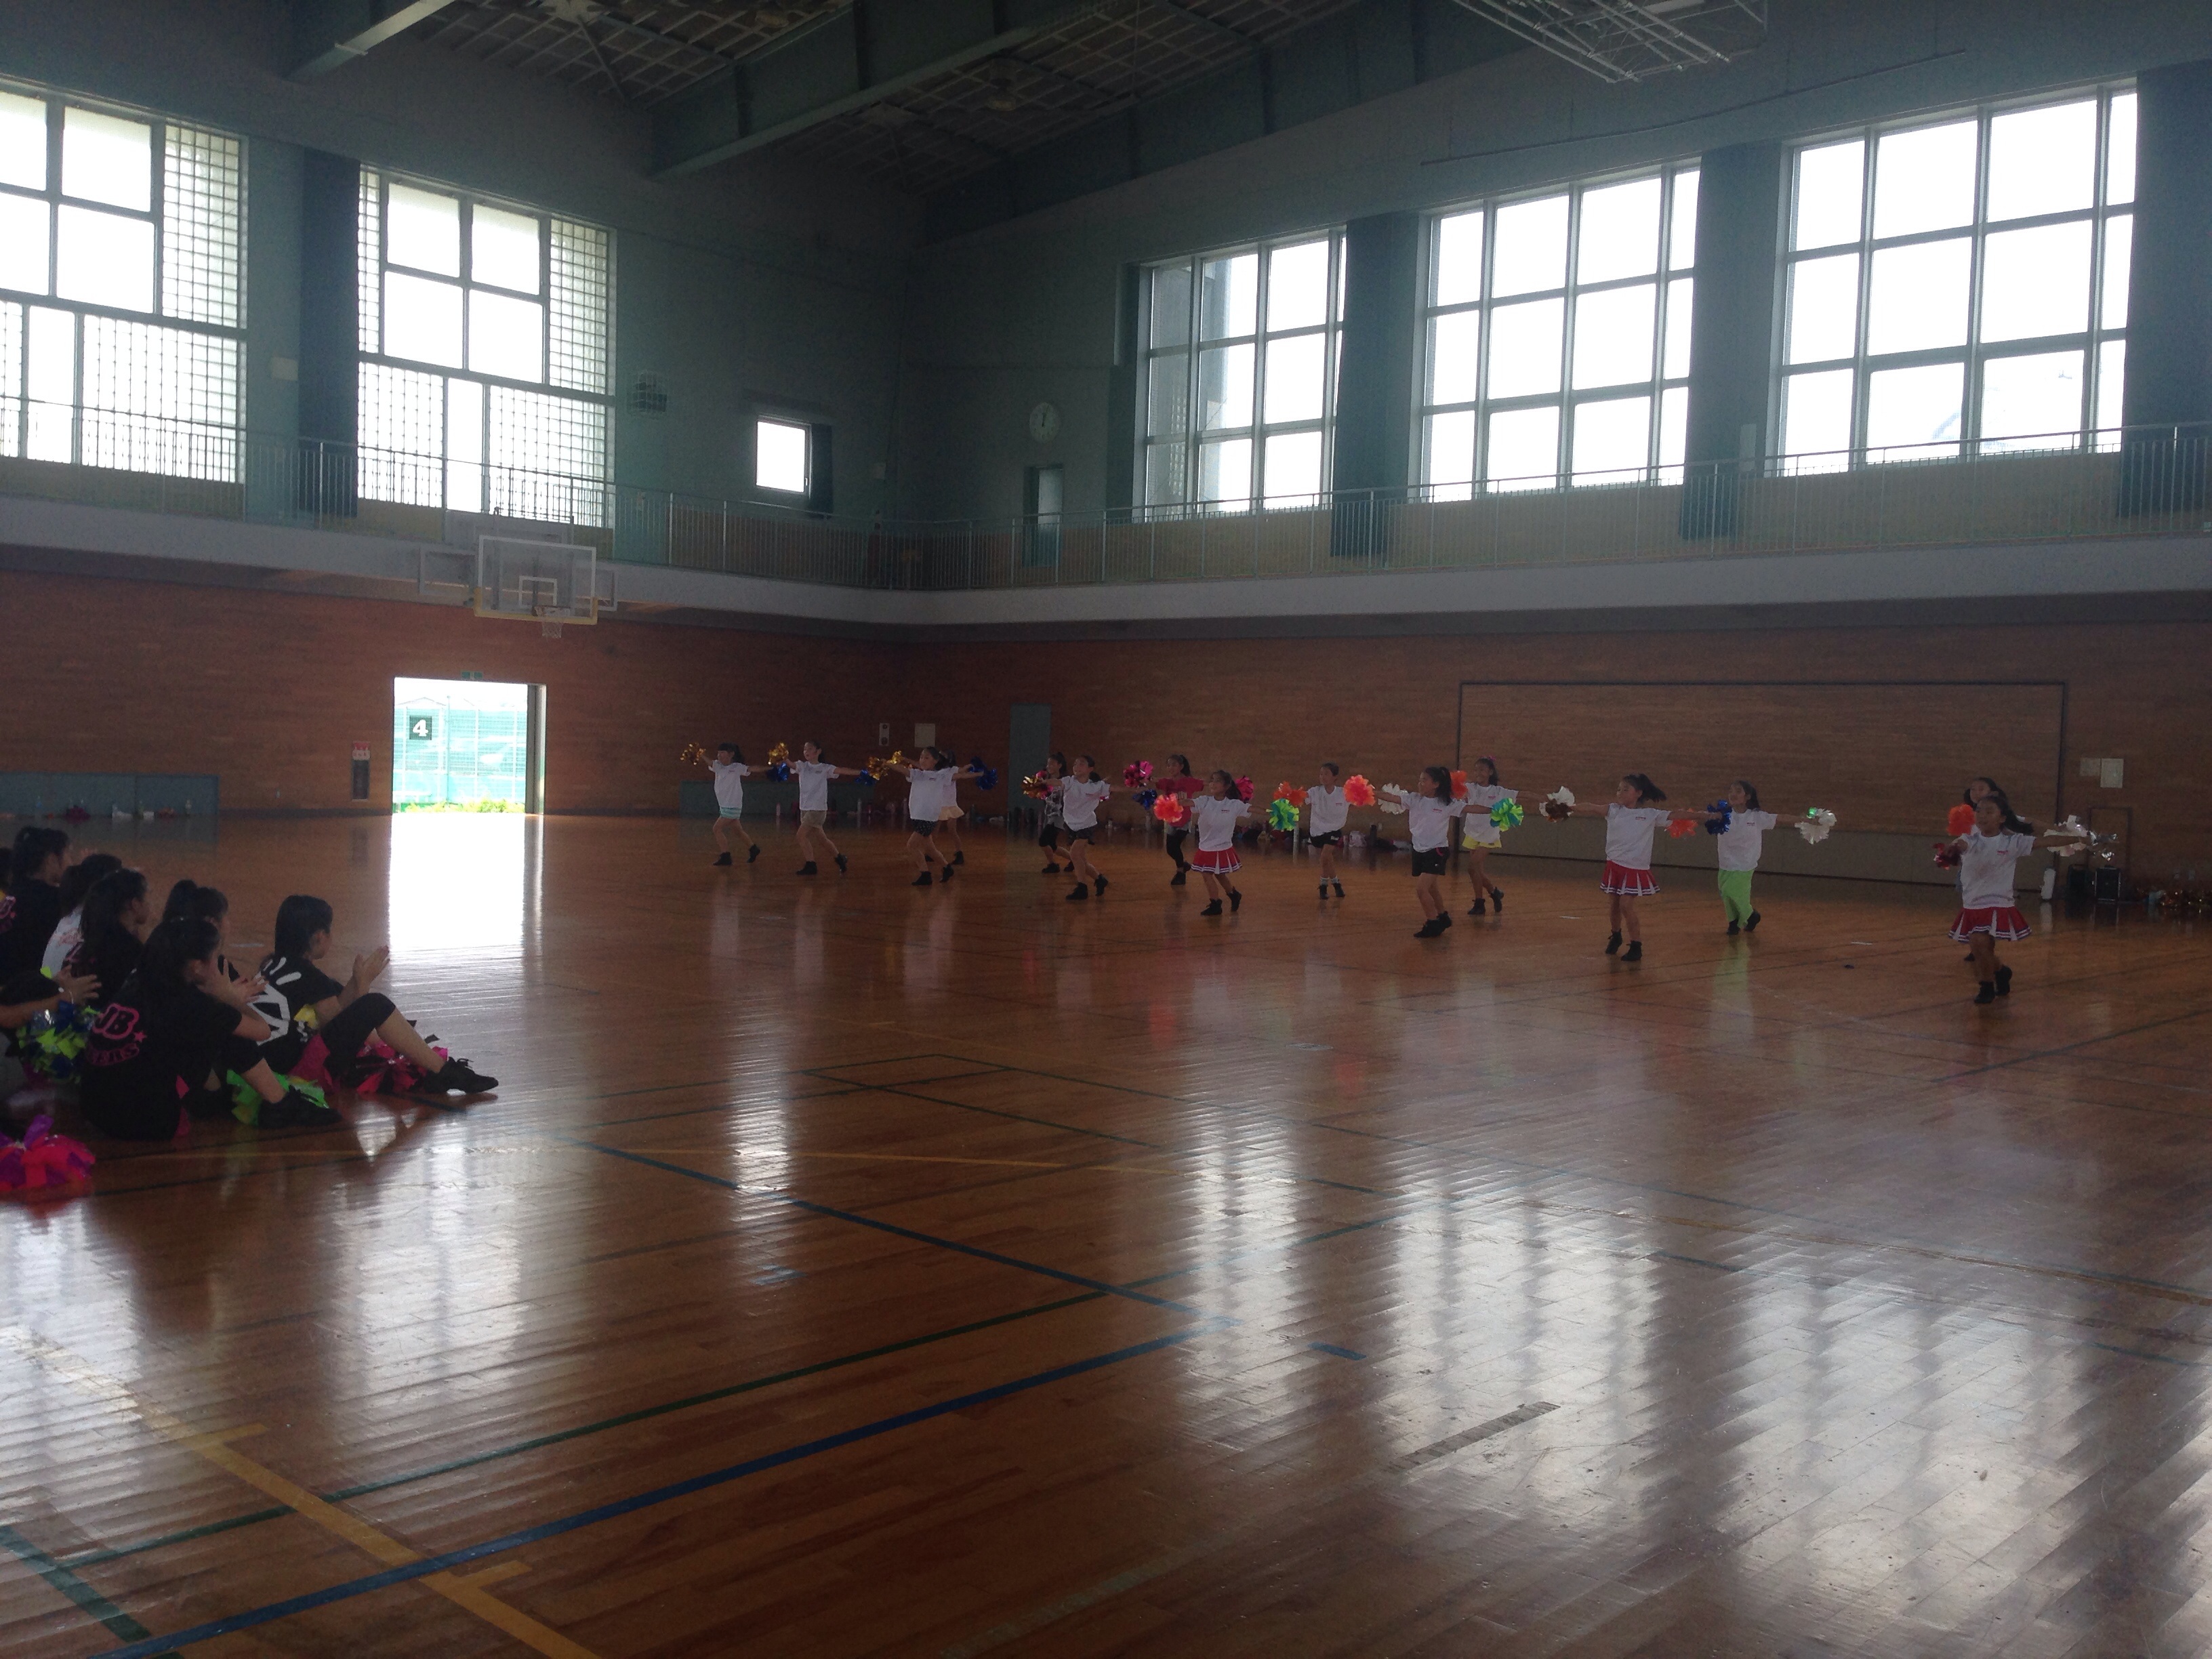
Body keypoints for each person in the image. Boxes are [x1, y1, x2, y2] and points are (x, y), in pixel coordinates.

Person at [79, 918, 333, 1139]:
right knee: (232, 1034)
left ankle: (217, 1097)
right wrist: (229, 997)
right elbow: (262, 1031)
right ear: (197, 967)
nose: (219, 964)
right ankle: (280, 1103)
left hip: (95, 1111)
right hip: (146, 1122)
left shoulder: (139, 982)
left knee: (201, 1034)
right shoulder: (194, 1003)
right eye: (215, 957)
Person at [253, 895, 497, 1095]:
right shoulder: (307, 976)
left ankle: (435, 1067)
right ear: (319, 936)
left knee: (340, 990)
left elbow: (337, 1012)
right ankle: (444, 1073)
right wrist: (363, 985)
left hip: (261, 1067)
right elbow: (339, 1025)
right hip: (291, 1074)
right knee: (375, 1005)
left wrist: (356, 983)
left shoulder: (273, 965)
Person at [1945, 790, 2072, 1004]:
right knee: (1981, 949)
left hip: (1998, 903)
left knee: (1979, 941)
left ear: (2002, 818)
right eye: (1979, 811)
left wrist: (2081, 838)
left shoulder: (2012, 842)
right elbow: (1958, 848)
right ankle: (2001, 972)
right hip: (1972, 904)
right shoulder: (1968, 839)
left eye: (1989, 812)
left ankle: (1986, 987)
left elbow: (2046, 841)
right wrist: (1951, 851)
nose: (1982, 816)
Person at [1562, 773, 1684, 962]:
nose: (1620, 793)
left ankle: (1636, 945)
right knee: (1614, 905)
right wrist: (1570, 807)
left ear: (1638, 793)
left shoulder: (1650, 814)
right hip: (1615, 866)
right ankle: (1616, 935)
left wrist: (1709, 816)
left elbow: (1679, 815)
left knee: (1626, 905)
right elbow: (1591, 807)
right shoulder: (1613, 810)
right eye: (1619, 789)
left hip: (1634, 869)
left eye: (1626, 789)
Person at [1389, 768, 1469, 938]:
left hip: (1437, 850)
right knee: (1432, 887)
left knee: (1421, 889)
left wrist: (1495, 810)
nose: (1420, 783)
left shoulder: (1447, 804)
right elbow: (1391, 797)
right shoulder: (1414, 799)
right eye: (1420, 780)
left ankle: (1433, 923)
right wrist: (1369, 792)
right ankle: (1443, 916)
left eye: (1424, 780)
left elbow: (1471, 808)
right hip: (1419, 849)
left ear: (1436, 784)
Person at [65, 867, 151, 1004]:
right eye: (146, 898)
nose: (149, 904)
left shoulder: (88, 943)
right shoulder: (130, 951)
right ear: (134, 904)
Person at [0, 827, 70, 983]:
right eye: (68, 854)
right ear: (52, 860)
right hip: (22, 987)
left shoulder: (13, 893)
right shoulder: (53, 901)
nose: (70, 862)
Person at [1712, 781, 1780, 935]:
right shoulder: (1723, 814)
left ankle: (1751, 916)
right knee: (1726, 894)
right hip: (1725, 862)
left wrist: (1807, 820)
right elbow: (1703, 817)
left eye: (1738, 791)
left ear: (1747, 796)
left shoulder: (1757, 817)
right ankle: (1733, 922)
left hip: (1745, 864)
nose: (1733, 794)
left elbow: (1780, 818)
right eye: (1731, 791)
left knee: (1733, 891)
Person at [41, 853, 124, 977]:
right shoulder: (98, 923)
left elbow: (46, 971)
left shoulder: (69, 918)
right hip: (62, 988)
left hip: (50, 984)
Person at [792, 741, 861, 876]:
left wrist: (862, 773)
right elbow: (791, 765)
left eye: (810, 749)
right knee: (822, 839)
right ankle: (840, 858)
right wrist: (783, 758)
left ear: (818, 751)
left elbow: (842, 770)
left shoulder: (825, 768)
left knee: (801, 836)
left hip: (817, 809)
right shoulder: (802, 766)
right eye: (805, 749)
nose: (806, 751)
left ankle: (811, 865)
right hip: (805, 808)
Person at [894, 747, 961, 886]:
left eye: (927, 758)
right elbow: (904, 770)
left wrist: (980, 773)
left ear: (935, 761)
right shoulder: (918, 774)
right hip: (917, 816)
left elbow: (960, 775)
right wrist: (887, 764)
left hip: (928, 818)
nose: (922, 760)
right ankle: (947, 868)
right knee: (930, 848)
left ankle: (925, 874)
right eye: (921, 757)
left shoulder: (940, 776)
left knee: (912, 845)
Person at [1187, 771, 1250, 916]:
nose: (1213, 784)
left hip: (1222, 846)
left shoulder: (1234, 804)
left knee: (1207, 874)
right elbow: (1188, 803)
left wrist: (1275, 811)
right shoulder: (1204, 801)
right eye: (1212, 780)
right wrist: (1169, 802)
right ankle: (1233, 894)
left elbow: (1253, 809)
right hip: (1206, 846)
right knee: (1219, 874)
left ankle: (1216, 904)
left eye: (1217, 781)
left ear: (1227, 786)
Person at [1459, 758, 1517, 916]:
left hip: (1489, 834)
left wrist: (1546, 801)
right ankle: (1487, 897)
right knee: (1477, 871)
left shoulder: (1498, 791)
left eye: (1482, 770)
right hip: (1472, 832)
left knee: (1472, 867)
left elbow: (1523, 795)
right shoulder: (1470, 788)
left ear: (1490, 772)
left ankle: (1488, 896)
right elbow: (1454, 789)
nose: (1478, 773)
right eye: (1476, 769)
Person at [1058, 755, 1112, 901]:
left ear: (1090, 769)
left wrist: (1137, 790)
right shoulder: (1069, 781)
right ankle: (1099, 879)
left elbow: (1116, 789)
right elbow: (1055, 782)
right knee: (1080, 859)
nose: (1076, 767)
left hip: (1087, 824)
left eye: (1081, 764)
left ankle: (1082, 888)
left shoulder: (1097, 786)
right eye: (1075, 764)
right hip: (1071, 825)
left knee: (1075, 854)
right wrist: (1042, 783)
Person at [703, 743, 758, 867]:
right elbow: (710, 763)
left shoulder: (737, 767)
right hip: (724, 805)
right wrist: (700, 755)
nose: (719, 755)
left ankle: (725, 856)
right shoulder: (717, 766)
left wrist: (770, 768)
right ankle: (753, 848)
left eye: (722, 753)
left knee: (717, 829)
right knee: (738, 830)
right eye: (718, 753)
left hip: (733, 805)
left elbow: (751, 769)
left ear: (731, 754)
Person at [1154, 755, 1201, 885]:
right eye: (1169, 765)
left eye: (1174, 765)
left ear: (1181, 766)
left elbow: (1205, 784)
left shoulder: (1189, 782)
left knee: (1175, 845)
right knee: (1170, 849)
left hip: (1184, 819)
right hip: (1170, 820)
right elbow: (1153, 781)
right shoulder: (1167, 782)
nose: (1171, 768)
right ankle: (1183, 865)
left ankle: (1180, 872)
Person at [1307, 762, 1349, 901]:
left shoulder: (1344, 793)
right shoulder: (1314, 792)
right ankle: (1337, 884)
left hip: (1334, 831)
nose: (1323, 777)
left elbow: (1362, 798)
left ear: (1335, 777)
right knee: (1327, 860)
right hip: (1317, 831)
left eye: (1326, 774)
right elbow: (1301, 798)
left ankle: (1323, 886)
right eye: (1321, 774)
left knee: (1325, 856)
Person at [1036, 754, 1069, 874]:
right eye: (1048, 764)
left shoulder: (1065, 781)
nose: (1048, 766)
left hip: (1059, 815)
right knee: (1052, 845)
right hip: (1049, 814)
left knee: (1043, 840)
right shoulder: (1045, 779)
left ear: (1060, 765)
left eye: (1052, 764)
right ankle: (1075, 860)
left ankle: (1052, 864)